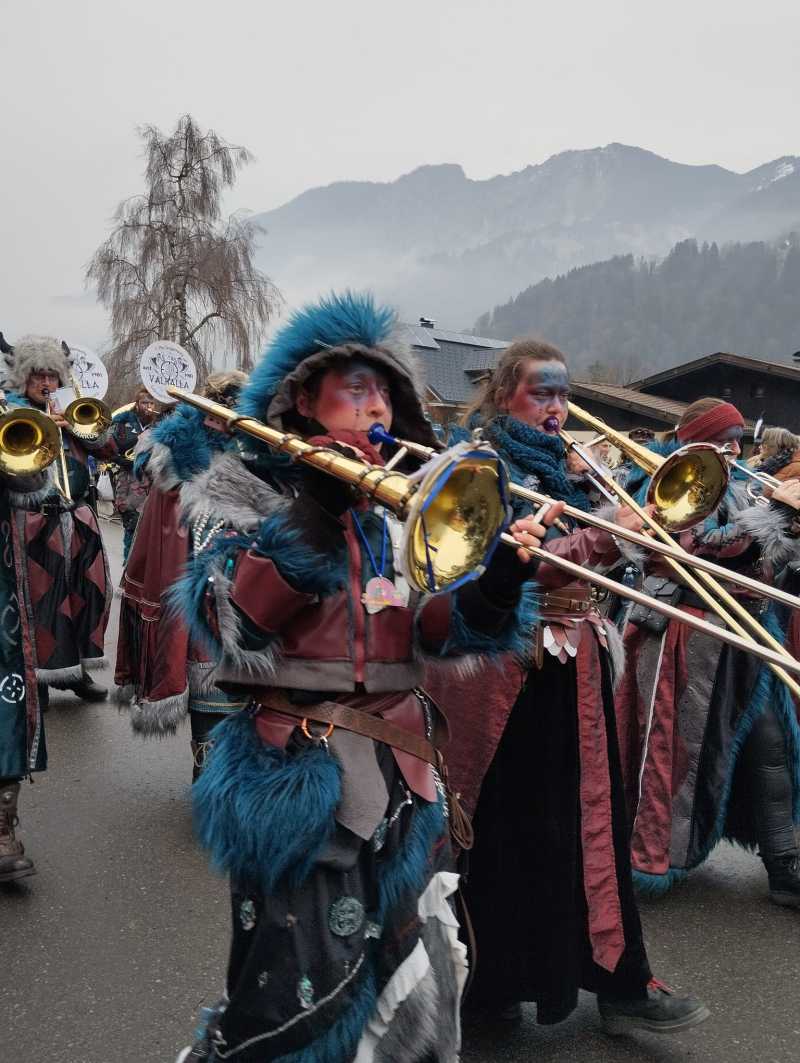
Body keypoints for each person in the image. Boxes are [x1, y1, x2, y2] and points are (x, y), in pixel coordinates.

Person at [172, 293, 556, 1063]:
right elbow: (235, 625)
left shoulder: (399, 510)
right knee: (299, 989)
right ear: (302, 400)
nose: (375, 405)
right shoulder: (246, 495)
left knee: (409, 975)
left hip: (403, 773)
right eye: (355, 388)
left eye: (383, 390)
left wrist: (498, 584)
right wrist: (311, 516)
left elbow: (432, 632)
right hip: (299, 775)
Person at [427, 338, 708, 1035]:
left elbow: (616, 560)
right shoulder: (476, 466)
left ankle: (621, 980)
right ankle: (490, 985)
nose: (557, 407)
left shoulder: (576, 469)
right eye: (541, 392)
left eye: (563, 393)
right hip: (507, 671)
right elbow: (507, 568)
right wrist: (607, 535)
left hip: (576, 668)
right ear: (504, 394)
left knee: (590, 826)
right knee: (504, 827)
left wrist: (658, 531)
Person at [615, 398, 800, 904]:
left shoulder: (739, 484)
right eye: (724, 440)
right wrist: (771, 517)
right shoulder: (667, 482)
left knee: (771, 743)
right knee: (678, 754)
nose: (735, 450)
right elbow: (692, 546)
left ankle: (783, 865)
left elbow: (763, 560)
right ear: (696, 440)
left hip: (746, 629)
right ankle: (655, 853)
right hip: (690, 631)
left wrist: (786, 530)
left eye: (738, 440)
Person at [115, 370, 251, 780]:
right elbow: (167, 507)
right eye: (224, 404)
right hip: (201, 583)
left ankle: (239, 773)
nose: (230, 415)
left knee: (251, 689)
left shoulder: (257, 447)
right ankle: (206, 771)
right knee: (207, 675)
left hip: (250, 583)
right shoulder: (177, 449)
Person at [2, 335, 114, 704]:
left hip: (78, 517)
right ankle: (38, 678)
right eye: (39, 376)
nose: (47, 383)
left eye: (52, 376)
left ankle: (76, 671)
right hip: (33, 521)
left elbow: (111, 449)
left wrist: (77, 428)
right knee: (41, 600)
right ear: (24, 379)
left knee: (87, 595)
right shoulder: (11, 414)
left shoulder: (72, 407)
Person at [110, 387, 157, 562]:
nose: (148, 406)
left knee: (149, 532)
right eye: (144, 402)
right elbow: (113, 450)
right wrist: (129, 458)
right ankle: (128, 566)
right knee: (131, 528)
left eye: (151, 403)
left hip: (151, 481)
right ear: (137, 404)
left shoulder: (159, 424)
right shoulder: (123, 423)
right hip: (128, 482)